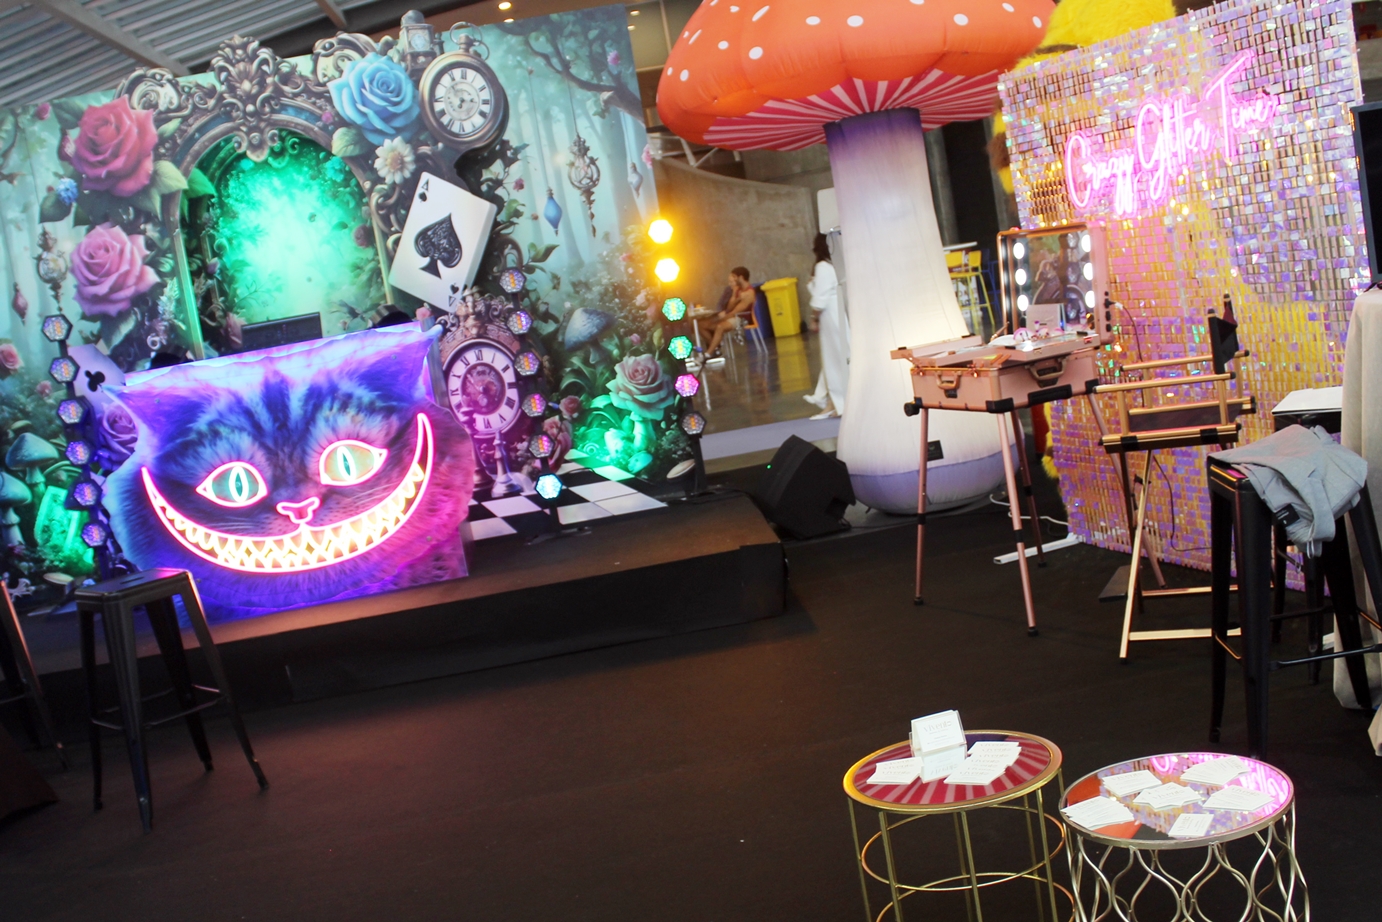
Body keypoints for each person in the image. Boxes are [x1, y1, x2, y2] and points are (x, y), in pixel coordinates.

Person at [803, 234, 849, 419]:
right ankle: (830, 400)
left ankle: (838, 402)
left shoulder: (823, 266)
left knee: (834, 359)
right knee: (837, 357)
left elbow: (820, 299)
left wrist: (813, 318)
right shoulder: (835, 265)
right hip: (838, 314)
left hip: (830, 317)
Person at [703, 266, 756, 358]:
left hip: (741, 318)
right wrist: (735, 296)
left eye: (734, 277)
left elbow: (736, 312)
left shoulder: (749, 293)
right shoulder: (737, 290)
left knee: (720, 327)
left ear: (741, 277)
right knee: (702, 325)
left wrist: (722, 318)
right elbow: (729, 307)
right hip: (732, 315)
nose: (733, 279)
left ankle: (708, 353)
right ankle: (716, 348)